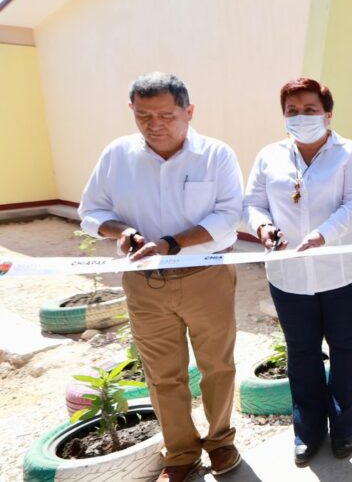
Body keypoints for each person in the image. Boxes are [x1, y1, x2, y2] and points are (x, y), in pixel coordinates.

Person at [78, 72, 244, 481]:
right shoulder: (117, 155)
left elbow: (227, 218)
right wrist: (123, 232)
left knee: (216, 366)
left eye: (167, 115)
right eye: (143, 115)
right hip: (144, 283)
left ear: (189, 111)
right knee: (162, 373)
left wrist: (171, 243)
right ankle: (181, 451)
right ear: (131, 113)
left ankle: (221, 440)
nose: (155, 124)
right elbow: (91, 213)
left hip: (206, 276)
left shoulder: (215, 155)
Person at [242, 78, 352, 465]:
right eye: (292, 111)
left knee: (346, 349)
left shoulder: (350, 152)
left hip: (343, 270)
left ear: (328, 114)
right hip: (289, 275)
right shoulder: (270, 155)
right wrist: (262, 227)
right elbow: (252, 203)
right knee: (301, 353)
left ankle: (345, 427)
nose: (301, 117)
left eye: (309, 109)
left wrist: (323, 234)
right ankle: (308, 430)